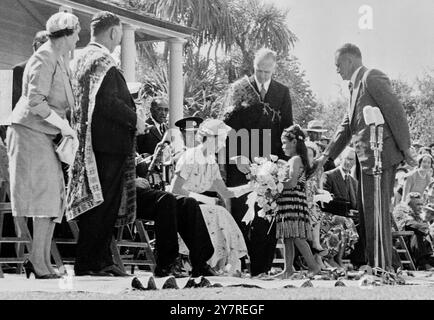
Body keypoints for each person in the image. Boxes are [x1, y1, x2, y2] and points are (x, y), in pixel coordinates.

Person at [317, 43, 416, 270]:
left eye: (338, 65)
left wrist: (406, 148)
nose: (337, 70)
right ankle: (382, 264)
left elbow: (396, 111)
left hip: (381, 156)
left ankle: (383, 266)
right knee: (369, 213)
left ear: (350, 61)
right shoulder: (353, 87)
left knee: (376, 212)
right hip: (365, 160)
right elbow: (346, 126)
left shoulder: (372, 77)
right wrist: (326, 155)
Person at [66, 11, 150, 277]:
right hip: (108, 145)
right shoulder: (103, 61)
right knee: (104, 206)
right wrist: (135, 118)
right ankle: (93, 262)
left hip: (89, 144)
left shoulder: (79, 58)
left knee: (97, 205)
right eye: (118, 36)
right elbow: (108, 102)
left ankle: (98, 259)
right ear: (114, 32)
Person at [6, 12, 80, 279]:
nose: (78, 38)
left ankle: (42, 261)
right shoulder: (44, 57)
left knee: (52, 198)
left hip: (44, 134)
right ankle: (38, 262)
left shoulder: (58, 59)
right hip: (29, 132)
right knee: (42, 197)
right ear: (68, 34)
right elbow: (35, 102)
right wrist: (65, 127)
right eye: (77, 33)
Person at [223, 48, 293, 277]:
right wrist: (234, 157)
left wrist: (283, 165)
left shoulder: (282, 92)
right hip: (241, 162)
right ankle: (238, 265)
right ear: (253, 67)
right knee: (241, 214)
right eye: (258, 71)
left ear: (274, 69)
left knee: (267, 216)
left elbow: (287, 130)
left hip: (269, 164)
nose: (261, 76)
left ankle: (262, 268)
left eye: (266, 72)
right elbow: (228, 126)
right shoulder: (239, 89)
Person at [169, 119, 249, 276]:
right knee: (215, 212)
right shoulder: (190, 156)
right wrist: (204, 199)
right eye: (221, 140)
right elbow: (175, 189)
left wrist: (250, 187)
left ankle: (213, 262)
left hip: (197, 207)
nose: (223, 145)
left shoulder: (212, 161)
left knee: (219, 212)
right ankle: (191, 261)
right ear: (210, 138)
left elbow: (225, 192)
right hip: (180, 205)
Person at [135, 161, 215, 278]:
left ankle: (200, 262)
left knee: (188, 203)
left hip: (139, 192)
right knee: (166, 199)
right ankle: (166, 265)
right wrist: (131, 182)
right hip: (124, 196)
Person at [274, 125, 321, 279]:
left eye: (284, 142)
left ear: (294, 142)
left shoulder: (295, 159)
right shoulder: (294, 159)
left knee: (297, 236)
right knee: (287, 236)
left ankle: (314, 267)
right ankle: (288, 270)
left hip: (294, 200)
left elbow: (292, 183)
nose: (282, 146)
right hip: (289, 200)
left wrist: (274, 185)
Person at [320, 147, 360, 268]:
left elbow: (355, 204)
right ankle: (334, 259)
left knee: (361, 223)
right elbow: (324, 201)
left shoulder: (353, 181)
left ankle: (358, 261)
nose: (349, 162)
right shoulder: (329, 175)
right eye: (347, 159)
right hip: (327, 215)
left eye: (352, 160)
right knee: (346, 222)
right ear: (341, 158)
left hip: (347, 216)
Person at [393, 192, 434, 270]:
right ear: (409, 205)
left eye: (421, 204)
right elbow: (408, 223)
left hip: (416, 251)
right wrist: (425, 229)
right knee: (417, 232)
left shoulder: (417, 217)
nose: (420, 207)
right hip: (404, 246)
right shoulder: (403, 214)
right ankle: (424, 264)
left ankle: (426, 262)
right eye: (417, 204)